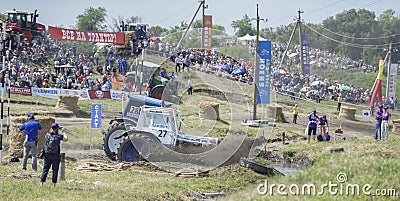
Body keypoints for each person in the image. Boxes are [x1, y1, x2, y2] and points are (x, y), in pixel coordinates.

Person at [40, 123, 68, 187]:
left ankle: (41, 183)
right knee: (55, 170)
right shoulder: (58, 137)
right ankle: (54, 184)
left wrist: (55, 128)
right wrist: (63, 131)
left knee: (45, 169)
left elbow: (50, 132)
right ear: (57, 129)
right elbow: (66, 139)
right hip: (56, 155)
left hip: (47, 154)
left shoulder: (47, 135)